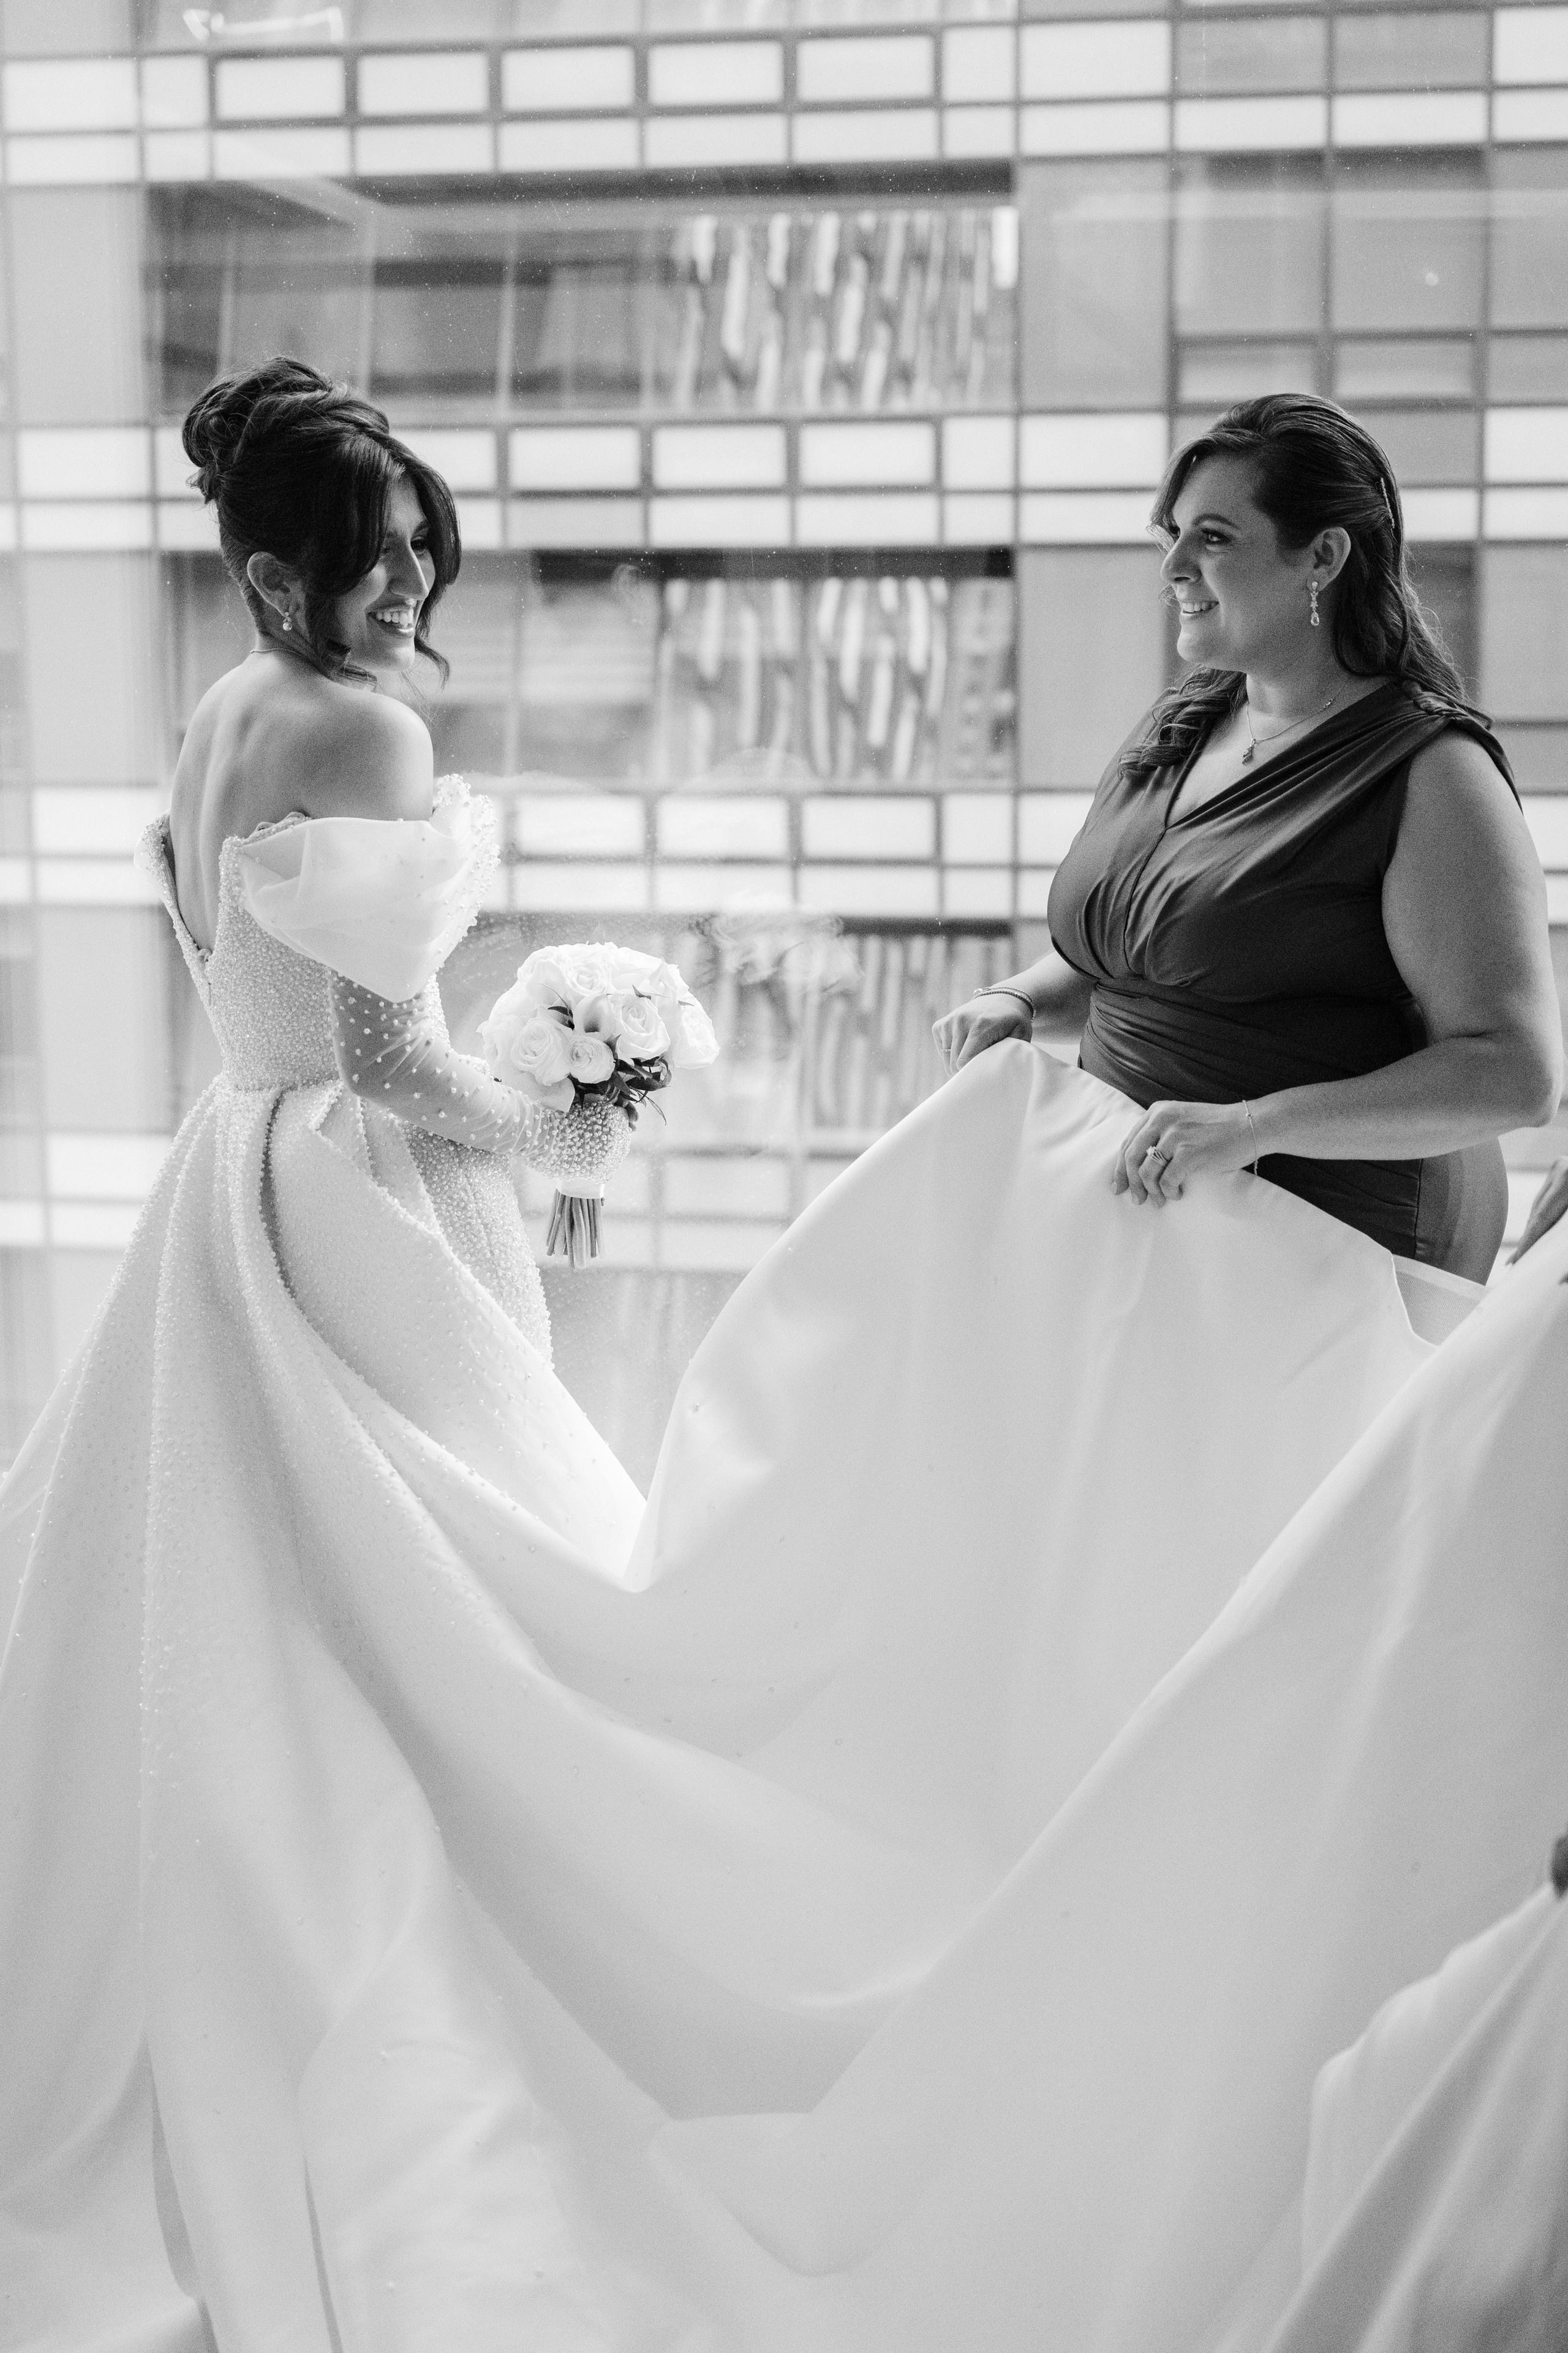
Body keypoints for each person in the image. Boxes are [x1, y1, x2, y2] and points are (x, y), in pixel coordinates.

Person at [1, 363, 1562, 2352]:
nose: (406, 589)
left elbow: (251, 971)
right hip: (369, 1177)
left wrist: (1188, 1092)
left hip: (237, 1167)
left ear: (1331, 555)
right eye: (379, 559)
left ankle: (317, 1868)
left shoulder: (216, 717)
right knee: (442, 1576)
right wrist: (536, 1117)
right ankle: (433, 1876)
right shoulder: (367, 728)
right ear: (277, 568)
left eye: (1211, 541)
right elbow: (388, 1047)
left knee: (262, 1561)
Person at [935, 395, 1562, 1285]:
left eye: (1215, 538)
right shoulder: (1189, 719)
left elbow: (1515, 1077)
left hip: (1319, 1253)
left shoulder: (1430, 772)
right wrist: (1023, 1002)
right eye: (1174, 536)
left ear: (1325, 556)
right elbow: (1145, 952)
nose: (1176, 566)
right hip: (1144, 1224)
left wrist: (1252, 1126)